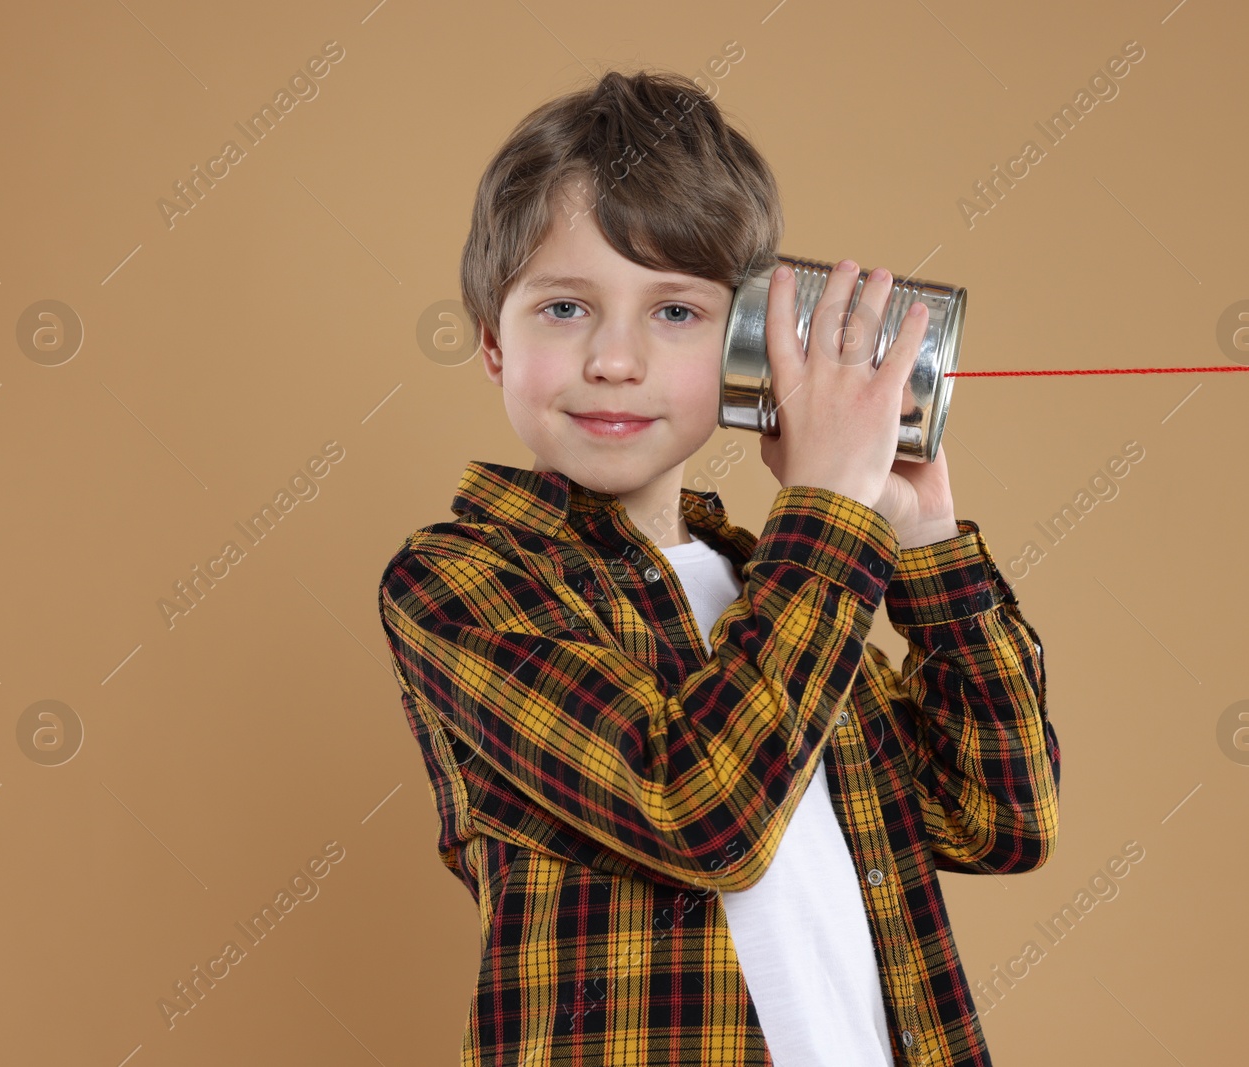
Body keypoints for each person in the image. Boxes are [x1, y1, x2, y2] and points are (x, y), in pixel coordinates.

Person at [377, 67, 1060, 1067]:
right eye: (564, 309)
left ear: (754, 352)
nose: (615, 358)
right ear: (491, 344)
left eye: (677, 313)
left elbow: (997, 818)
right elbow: (702, 810)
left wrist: (920, 537)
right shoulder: (461, 580)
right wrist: (826, 511)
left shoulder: (769, 588)